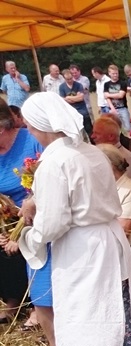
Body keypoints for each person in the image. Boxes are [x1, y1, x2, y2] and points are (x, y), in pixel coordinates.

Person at [18, 92, 131, 346]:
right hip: (109, 239)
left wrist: (29, 235)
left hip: (83, 248)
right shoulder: (92, 151)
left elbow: (54, 221)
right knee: (118, 307)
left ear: (40, 125)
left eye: (30, 125)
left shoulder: (55, 162)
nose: (29, 130)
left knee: (79, 317)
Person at [0, 99, 42, 325]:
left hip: (37, 213)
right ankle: (12, 300)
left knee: (29, 242)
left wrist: (22, 229)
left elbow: (47, 184)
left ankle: (38, 305)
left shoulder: (32, 141)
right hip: (7, 218)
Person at [97, 144, 131, 266]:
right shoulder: (104, 187)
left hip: (130, 251)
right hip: (106, 246)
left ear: (109, 166)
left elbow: (123, 232)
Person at [91, 116, 131, 182]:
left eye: (97, 133)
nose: (92, 136)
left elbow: (128, 184)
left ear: (111, 136)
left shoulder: (127, 158)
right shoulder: (101, 155)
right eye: (93, 133)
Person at [59, 68, 93, 138]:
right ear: (64, 79)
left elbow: (81, 98)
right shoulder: (62, 87)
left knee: (89, 130)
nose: (70, 80)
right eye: (67, 79)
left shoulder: (78, 85)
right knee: (76, 132)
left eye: (71, 78)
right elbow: (63, 100)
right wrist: (75, 98)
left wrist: (68, 97)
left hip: (82, 110)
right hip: (70, 111)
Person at [104, 65, 130, 133]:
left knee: (128, 127)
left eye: (116, 73)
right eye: (113, 73)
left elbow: (121, 95)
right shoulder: (106, 84)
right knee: (116, 129)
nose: (115, 75)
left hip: (122, 108)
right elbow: (107, 98)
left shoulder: (122, 83)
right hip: (112, 109)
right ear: (109, 73)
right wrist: (112, 108)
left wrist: (109, 95)